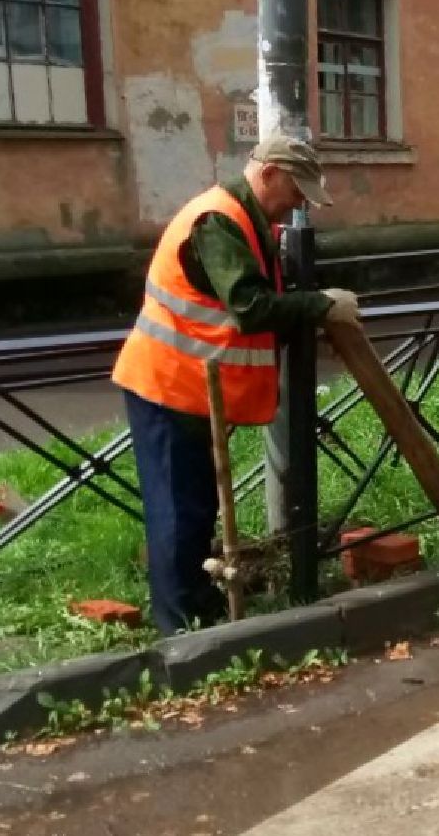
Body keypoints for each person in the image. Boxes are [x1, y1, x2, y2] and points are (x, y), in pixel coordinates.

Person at [112, 133, 359, 633]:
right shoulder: (219, 221)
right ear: (268, 173)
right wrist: (321, 305)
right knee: (180, 511)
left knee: (195, 505)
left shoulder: (246, 219)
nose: (296, 207)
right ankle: (179, 628)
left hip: (190, 389)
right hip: (167, 386)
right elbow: (250, 307)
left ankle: (197, 609)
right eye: (294, 192)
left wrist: (308, 321)